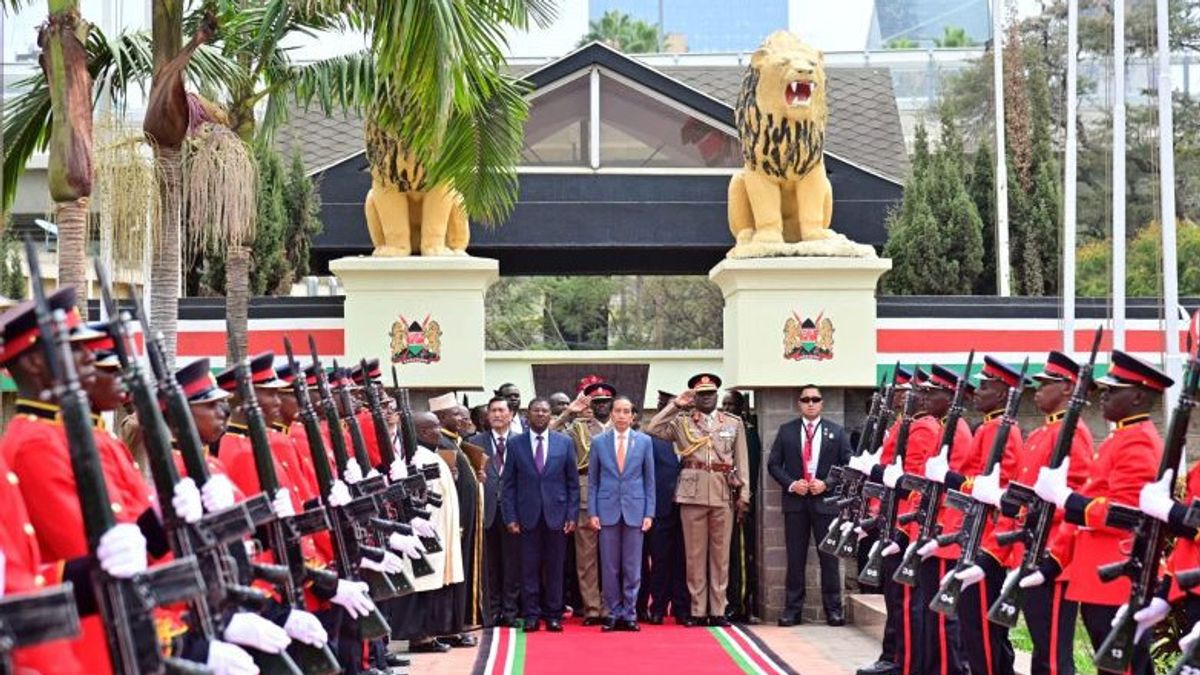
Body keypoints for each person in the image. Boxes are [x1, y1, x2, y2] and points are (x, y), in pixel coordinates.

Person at [1031, 350, 1171, 674]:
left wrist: (1067, 499)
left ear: (1137, 396)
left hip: (1119, 577)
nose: (1103, 395)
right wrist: (1054, 563)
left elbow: (1126, 514)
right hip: (1099, 578)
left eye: (1113, 390)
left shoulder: (1139, 442)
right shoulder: (1120, 438)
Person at [924, 357, 1025, 675]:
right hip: (974, 536)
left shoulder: (1001, 430)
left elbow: (1000, 492)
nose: (977, 392)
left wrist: (951, 479)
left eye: (985, 386)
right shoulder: (989, 428)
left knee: (981, 634)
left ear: (1003, 393)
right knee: (976, 632)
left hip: (988, 542)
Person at [1007, 351, 1094, 675]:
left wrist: (1044, 511)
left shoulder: (1074, 432)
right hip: (1031, 548)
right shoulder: (1041, 433)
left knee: (1055, 656)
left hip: (1056, 556)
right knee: (1042, 651)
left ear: (1068, 389)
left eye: (1047, 384)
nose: (1038, 390)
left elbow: (1076, 495)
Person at [645, 373, 750, 627]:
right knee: (694, 555)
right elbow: (653, 428)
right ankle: (697, 609)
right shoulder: (682, 422)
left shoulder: (732, 423)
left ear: (717, 395)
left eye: (710, 393)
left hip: (722, 491)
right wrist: (677, 404)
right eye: (701, 394)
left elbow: (741, 460)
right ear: (694, 397)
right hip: (692, 493)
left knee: (720, 556)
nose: (707, 398)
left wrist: (744, 494)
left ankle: (717, 609)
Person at [768, 384, 852, 627]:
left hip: (825, 503)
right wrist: (792, 484)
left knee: (829, 559)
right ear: (799, 404)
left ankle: (834, 610)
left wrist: (827, 483)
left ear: (822, 403)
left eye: (815, 399)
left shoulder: (836, 431)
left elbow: (848, 465)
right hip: (796, 503)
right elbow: (773, 465)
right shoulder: (787, 431)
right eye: (806, 399)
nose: (811, 403)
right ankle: (792, 611)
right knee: (795, 559)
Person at [501, 397, 580, 632]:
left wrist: (572, 516)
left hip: (557, 516)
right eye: (536, 410)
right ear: (528, 414)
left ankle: (553, 614)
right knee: (529, 569)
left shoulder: (564, 443)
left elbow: (572, 483)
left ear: (550, 415)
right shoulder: (515, 444)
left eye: (545, 411)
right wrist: (511, 517)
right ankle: (532, 614)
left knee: (555, 568)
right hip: (526, 517)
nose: (541, 414)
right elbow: (509, 485)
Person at [390, 412, 463, 654]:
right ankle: (417, 636)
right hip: (424, 531)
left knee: (431, 585)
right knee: (420, 585)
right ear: (421, 432)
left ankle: (428, 632)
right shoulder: (418, 457)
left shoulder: (430, 455)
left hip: (438, 530)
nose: (439, 432)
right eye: (434, 428)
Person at [588, 396, 655, 631]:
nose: (622, 415)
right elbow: (593, 481)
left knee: (632, 566)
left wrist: (649, 513)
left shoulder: (644, 441)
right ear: (612, 414)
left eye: (627, 411)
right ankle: (613, 612)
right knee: (609, 566)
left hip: (635, 511)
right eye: (618, 411)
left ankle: (630, 613)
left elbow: (649, 481)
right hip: (607, 511)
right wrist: (593, 511)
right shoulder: (598, 442)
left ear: (633, 415)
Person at [553, 378, 616, 624]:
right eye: (596, 402)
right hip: (585, 493)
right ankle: (591, 608)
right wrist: (569, 412)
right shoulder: (577, 428)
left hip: (613, 496)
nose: (601, 406)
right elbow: (548, 434)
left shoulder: (621, 427)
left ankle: (610, 607)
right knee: (586, 558)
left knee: (611, 557)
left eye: (605, 402)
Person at [430, 393, 483, 645]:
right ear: (441, 418)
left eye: (464, 415)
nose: (463, 419)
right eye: (456, 415)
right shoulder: (440, 443)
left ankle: (458, 622)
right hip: (453, 523)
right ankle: (449, 627)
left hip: (463, 520)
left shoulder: (456, 443)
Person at [470, 396, 522, 627]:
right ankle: (491, 612)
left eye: (502, 411)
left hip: (514, 512)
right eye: (493, 411)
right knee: (489, 566)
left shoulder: (521, 442)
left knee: (513, 564)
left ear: (511, 415)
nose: (497, 415)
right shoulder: (474, 442)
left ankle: (510, 612)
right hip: (486, 511)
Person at [638, 392, 689, 625]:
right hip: (661, 507)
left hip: (689, 507)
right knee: (659, 560)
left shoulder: (692, 434)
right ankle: (657, 606)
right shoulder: (653, 439)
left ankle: (681, 607)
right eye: (665, 408)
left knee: (685, 560)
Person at [722, 389, 760, 624]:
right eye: (724, 405)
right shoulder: (722, 429)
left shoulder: (747, 432)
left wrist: (744, 500)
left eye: (731, 405)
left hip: (740, 504)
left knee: (741, 556)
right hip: (720, 500)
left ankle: (741, 605)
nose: (726, 410)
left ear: (741, 408)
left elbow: (750, 469)